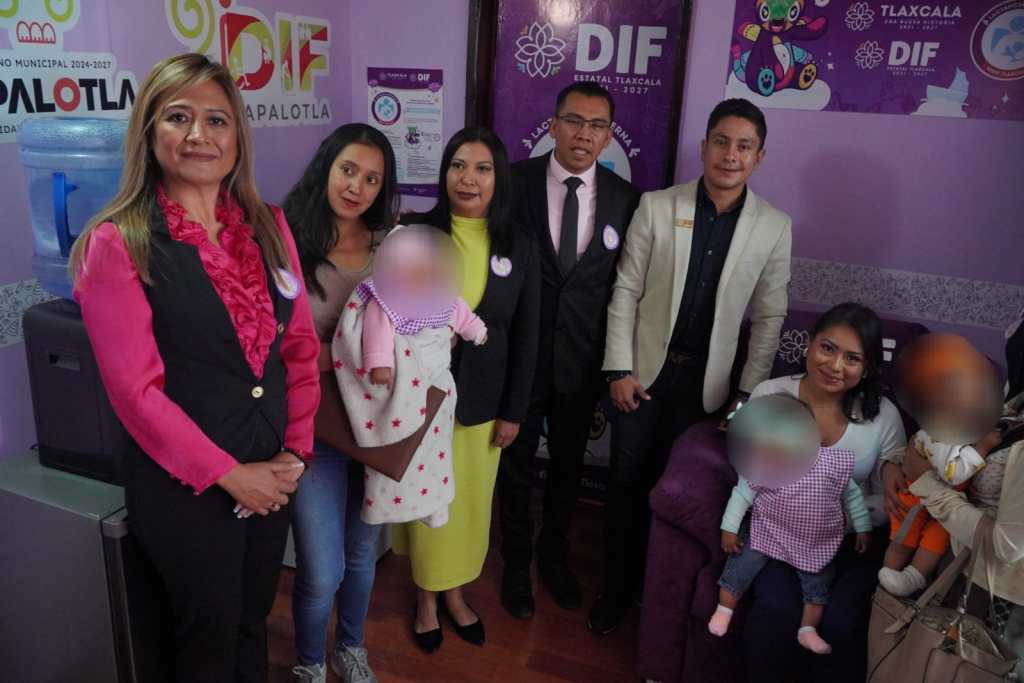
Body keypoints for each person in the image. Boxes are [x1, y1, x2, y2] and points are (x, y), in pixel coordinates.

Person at [70, 53, 320, 683]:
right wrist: (232, 475)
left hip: (273, 471)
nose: (198, 135)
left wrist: (296, 452)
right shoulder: (117, 243)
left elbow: (298, 349)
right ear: (150, 132)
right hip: (187, 487)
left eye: (217, 120)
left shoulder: (270, 226)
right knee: (206, 633)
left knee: (252, 620)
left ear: (237, 137)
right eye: (178, 117)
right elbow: (137, 394)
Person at [593, 98, 792, 634]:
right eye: (721, 142)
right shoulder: (658, 206)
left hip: (710, 390)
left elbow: (769, 318)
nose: (730, 155)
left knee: (683, 492)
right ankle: (615, 590)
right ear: (704, 147)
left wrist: (747, 396)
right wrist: (618, 370)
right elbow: (626, 290)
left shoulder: (774, 227)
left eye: (744, 146)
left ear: (759, 157)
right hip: (643, 377)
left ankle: (658, 597)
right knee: (626, 484)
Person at [393, 126, 540, 651]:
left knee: (468, 503)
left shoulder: (520, 245)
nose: (468, 178)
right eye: (458, 165)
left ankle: (456, 594)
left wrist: (514, 411)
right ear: (444, 172)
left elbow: (526, 335)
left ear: (498, 179)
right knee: (426, 500)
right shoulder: (414, 232)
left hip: (484, 403)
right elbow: (384, 312)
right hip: (419, 399)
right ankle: (426, 600)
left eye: (482, 168)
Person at [498, 81, 640, 618]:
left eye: (596, 125)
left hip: (582, 362)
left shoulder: (626, 199)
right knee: (515, 466)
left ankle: (553, 558)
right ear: (554, 125)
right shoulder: (513, 182)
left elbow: (625, 287)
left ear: (608, 136)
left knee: (566, 468)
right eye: (574, 121)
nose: (584, 134)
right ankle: (515, 563)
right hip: (520, 358)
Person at [281, 123, 399, 683]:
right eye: (348, 170)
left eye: (372, 179)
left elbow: (413, 327)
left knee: (360, 556)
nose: (357, 187)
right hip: (313, 428)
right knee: (321, 568)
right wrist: (347, 358)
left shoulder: (390, 247)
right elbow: (274, 340)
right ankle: (309, 663)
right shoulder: (284, 238)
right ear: (326, 167)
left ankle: (350, 648)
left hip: (376, 427)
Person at [740, 303, 908, 683]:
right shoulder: (770, 394)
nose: (835, 366)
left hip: (852, 544)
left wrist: (845, 516)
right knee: (777, 611)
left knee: (841, 622)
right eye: (827, 348)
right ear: (810, 343)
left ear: (867, 367)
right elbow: (749, 472)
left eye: (852, 358)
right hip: (782, 536)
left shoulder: (882, 415)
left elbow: (890, 500)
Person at [332, 227, 487, 527]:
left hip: (438, 382)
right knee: (396, 450)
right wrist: (380, 363)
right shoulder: (386, 300)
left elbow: (462, 315)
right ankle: (390, 505)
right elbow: (377, 332)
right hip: (404, 381)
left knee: (433, 448)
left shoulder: (443, 297)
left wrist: (476, 331)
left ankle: (432, 502)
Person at [711, 395, 873, 655]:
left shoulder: (830, 462)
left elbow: (852, 496)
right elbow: (741, 495)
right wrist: (728, 529)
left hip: (814, 540)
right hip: (768, 529)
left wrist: (863, 526)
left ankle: (807, 630)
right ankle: (724, 609)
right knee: (743, 563)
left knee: (819, 580)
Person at [878, 427, 1000, 596]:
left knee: (935, 542)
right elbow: (954, 474)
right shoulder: (940, 432)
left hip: (951, 503)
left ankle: (913, 578)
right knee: (903, 539)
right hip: (917, 493)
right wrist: (982, 447)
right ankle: (887, 580)